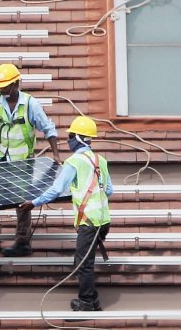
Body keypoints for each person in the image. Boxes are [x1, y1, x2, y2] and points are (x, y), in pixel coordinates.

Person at [19, 116, 113, 312]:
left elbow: (56, 189)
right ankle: (93, 299)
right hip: (104, 221)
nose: (68, 139)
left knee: (84, 263)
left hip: (89, 222)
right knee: (83, 260)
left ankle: (86, 302)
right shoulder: (100, 160)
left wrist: (33, 203)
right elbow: (109, 190)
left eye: (70, 136)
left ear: (78, 138)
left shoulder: (74, 162)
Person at [0, 63, 61, 257]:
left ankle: (22, 241)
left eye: (4, 86)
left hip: (22, 159)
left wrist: (55, 154)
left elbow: (48, 128)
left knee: (22, 199)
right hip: (0, 153)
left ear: (15, 84)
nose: (0, 90)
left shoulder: (30, 104)